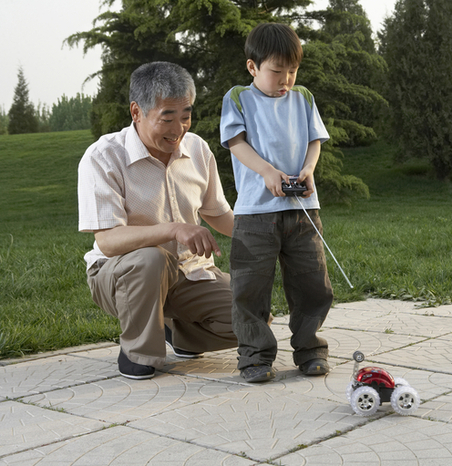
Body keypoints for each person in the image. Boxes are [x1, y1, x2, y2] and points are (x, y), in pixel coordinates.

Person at [78, 62, 239, 380]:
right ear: (136, 112)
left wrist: (267, 235)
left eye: (186, 116)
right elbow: (108, 241)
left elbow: (217, 213)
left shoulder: (197, 149)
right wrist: (175, 229)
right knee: (152, 257)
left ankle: (177, 332)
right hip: (121, 275)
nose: (178, 128)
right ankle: (139, 351)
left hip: (188, 273)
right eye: (167, 117)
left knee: (252, 320)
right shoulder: (104, 156)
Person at [220, 23, 333, 383]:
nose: (285, 78)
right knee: (249, 289)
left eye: (292, 70)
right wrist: (267, 172)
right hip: (255, 215)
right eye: (276, 70)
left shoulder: (303, 98)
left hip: (303, 210)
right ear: (253, 67)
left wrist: (308, 169)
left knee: (313, 283)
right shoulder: (238, 98)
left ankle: (311, 349)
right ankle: (255, 356)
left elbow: (315, 140)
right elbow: (235, 143)